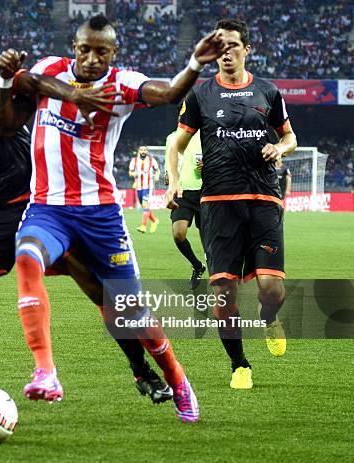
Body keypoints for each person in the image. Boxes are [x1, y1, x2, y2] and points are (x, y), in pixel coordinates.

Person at [0, 41, 170, 426]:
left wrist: (75, 93)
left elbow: (37, 83)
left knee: (99, 289)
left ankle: (141, 370)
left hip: (44, 197)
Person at [0, 14, 231, 422]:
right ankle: (46, 371)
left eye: (100, 51)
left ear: (114, 53)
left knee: (130, 312)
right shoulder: (49, 69)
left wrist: (194, 63)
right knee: (26, 257)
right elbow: (25, 82)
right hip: (47, 208)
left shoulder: (122, 84)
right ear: (74, 46)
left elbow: (167, 92)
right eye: (84, 49)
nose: (90, 58)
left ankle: (176, 377)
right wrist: (74, 95)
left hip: (100, 215)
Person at [166, 19, 297, 389]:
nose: (227, 53)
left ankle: (269, 318)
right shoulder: (200, 95)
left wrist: (279, 147)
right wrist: (174, 181)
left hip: (263, 199)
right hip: (219, 202)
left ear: (247, 49)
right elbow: (177, 144)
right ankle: (239, 364)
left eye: (234, 46)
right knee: (223, 291)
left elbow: (290, 136)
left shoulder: (268, 92)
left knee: (272, 290)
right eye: (221, 48)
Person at [164, 129, 206, 289]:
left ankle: (218, 279)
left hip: (204, 191)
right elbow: (170, 161)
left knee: (208, 242)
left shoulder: (205, 134)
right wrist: (169, 181)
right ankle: (197, 266)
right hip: (181, 193)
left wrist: (208, 164)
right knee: (178, 234)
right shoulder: (171, 137)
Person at [128, 146, 160, 233]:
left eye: (145, 150)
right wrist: (133, 174)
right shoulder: (134, 161)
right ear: (139, 151)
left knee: (146, 205)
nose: (143, 151)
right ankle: (154, 220)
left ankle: (143, 226)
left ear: (147, 151)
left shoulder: (151, 160)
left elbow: (157, 170)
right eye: (141, 150)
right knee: (144, 206)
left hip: (148, 186)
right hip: (138, 187)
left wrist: (157, 175)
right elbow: (130, 172)